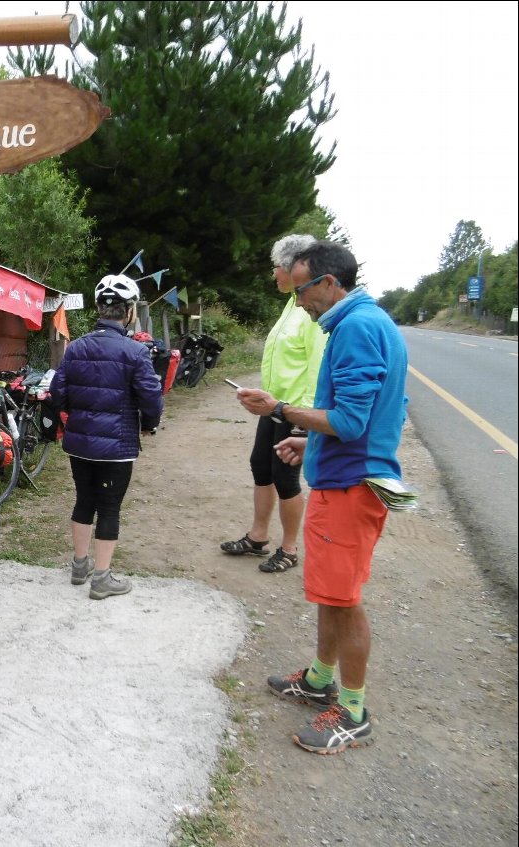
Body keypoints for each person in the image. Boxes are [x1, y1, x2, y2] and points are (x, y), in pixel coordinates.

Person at [236, 240, 408, 754]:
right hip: (351, 476)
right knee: (333, 593)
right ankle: (318, 679)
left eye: (304, 286)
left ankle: (352, 712)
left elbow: (352, 420)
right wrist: (310, 439)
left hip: (352, 485)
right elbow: (376, 414)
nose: (300, 296)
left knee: (345, 601)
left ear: (330, 283)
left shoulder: (355, 327)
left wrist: (282, 410)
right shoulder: (368, 322)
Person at [48, 273, 164, 599]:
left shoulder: (75, 348)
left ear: (99, 307)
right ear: (128, 312)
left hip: (80, 443)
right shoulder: (137, 352)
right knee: (109, 507)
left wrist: (76, 413)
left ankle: (79, 565)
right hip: (117, 446)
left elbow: (58, 393)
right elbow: (151, 398)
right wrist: (149, 423)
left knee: (84, 500)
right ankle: (102, 578)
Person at [221, 234, 326, 573]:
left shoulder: (310, 310)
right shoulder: (290, 304)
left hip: (295, 410)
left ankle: (290, 548)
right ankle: (258, 536)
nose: (273, 275)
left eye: (276, 268)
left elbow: (316, 364)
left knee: (286, 478)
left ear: (293, 268)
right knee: (261, 468)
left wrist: (306, 417)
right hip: (274, 407)